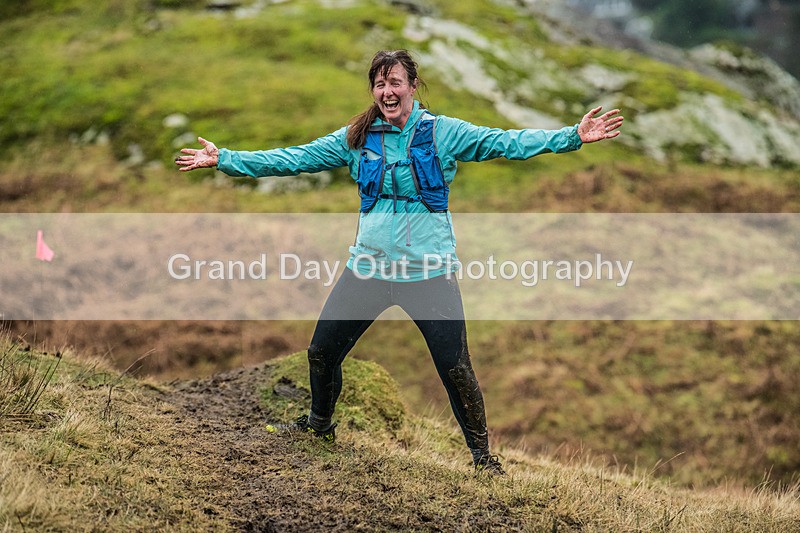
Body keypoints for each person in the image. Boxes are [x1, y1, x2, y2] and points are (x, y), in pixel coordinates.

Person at [176, 49, 623, 475]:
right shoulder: (356, 137)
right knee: (322, 352)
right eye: (378, 84)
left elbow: (503, 142)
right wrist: (226, 159)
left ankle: (483, 460)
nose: (386, 91)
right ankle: (319, 427)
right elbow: (294, 158)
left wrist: (570, 137)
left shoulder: (442, 132)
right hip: (368, 268)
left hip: (428, 272)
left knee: (454, 367)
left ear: (412, 86)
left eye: (394, 82)